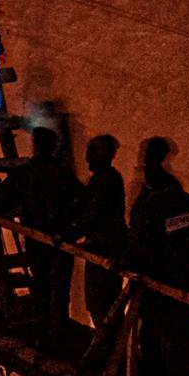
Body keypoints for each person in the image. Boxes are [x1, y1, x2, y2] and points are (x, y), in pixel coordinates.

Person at [124, 137, 189, 376]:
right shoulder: (186, 202)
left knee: (156, 329)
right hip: (187, 275)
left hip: (158, 276)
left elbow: (139, 240)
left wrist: (129, 265)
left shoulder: (148, 205)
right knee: (182, 328)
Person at [0, 126, 80, 350]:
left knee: (41, 290)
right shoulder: (64, 175)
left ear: (36, 146)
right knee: (60, 293)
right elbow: (82, 202)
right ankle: (59, 340)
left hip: (37, 244)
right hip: (60, 244)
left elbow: (1, 199)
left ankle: (44, 339)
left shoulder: (26, 173)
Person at [71, 134, 128, 329]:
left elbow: (93, 215)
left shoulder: (103, 182)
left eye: (90, 154)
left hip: (102, 250)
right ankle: (110, 350)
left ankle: (106, 351)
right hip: (108, 248)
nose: (87, 160)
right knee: (106, 305)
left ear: (99, 156)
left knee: (100, 303)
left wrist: (68, 235)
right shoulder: (112, 179)